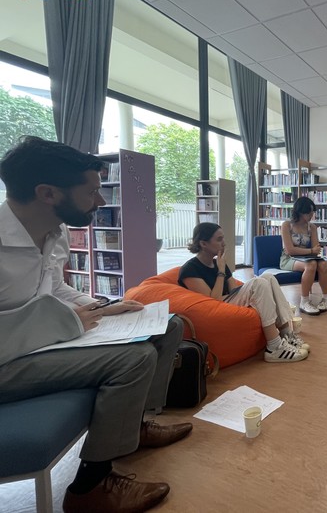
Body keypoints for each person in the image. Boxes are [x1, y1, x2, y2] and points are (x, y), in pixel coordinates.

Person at [0, 137, 192, 513]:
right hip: (9, 362)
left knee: (168, 324)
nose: (101, 202)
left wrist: (102, 306)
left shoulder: (53, 235)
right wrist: (68, 322)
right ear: (48, 193)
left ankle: (135, 424)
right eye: (91, 192)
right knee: (133, 359)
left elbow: (54, 287)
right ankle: (91, 487)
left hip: (45, 343)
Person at [179, 222, 308, 362]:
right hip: (214, 307)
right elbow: (212, 301)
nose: (224, 243)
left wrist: (223, 269)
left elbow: (233, 289)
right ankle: (274, 347)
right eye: (219, 239)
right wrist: (221, 271)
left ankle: (286, 335)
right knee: (258, 283)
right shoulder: (190, 269)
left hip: (227, 300)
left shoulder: (218, 262)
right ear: (203, 244)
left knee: (268, 277)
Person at [280, 197, 327, 315]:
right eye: (309, 212)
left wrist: (312, 251)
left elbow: (315, 250)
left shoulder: (312, 227)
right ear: (300, 211)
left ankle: (325, 299)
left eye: (312, 212)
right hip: (288, 259)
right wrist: (311, 250)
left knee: (323, 264)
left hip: (306, 257)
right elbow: (290, 250)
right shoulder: (287, 225)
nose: (311, 215)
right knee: (311, 265)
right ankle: (304, 302)